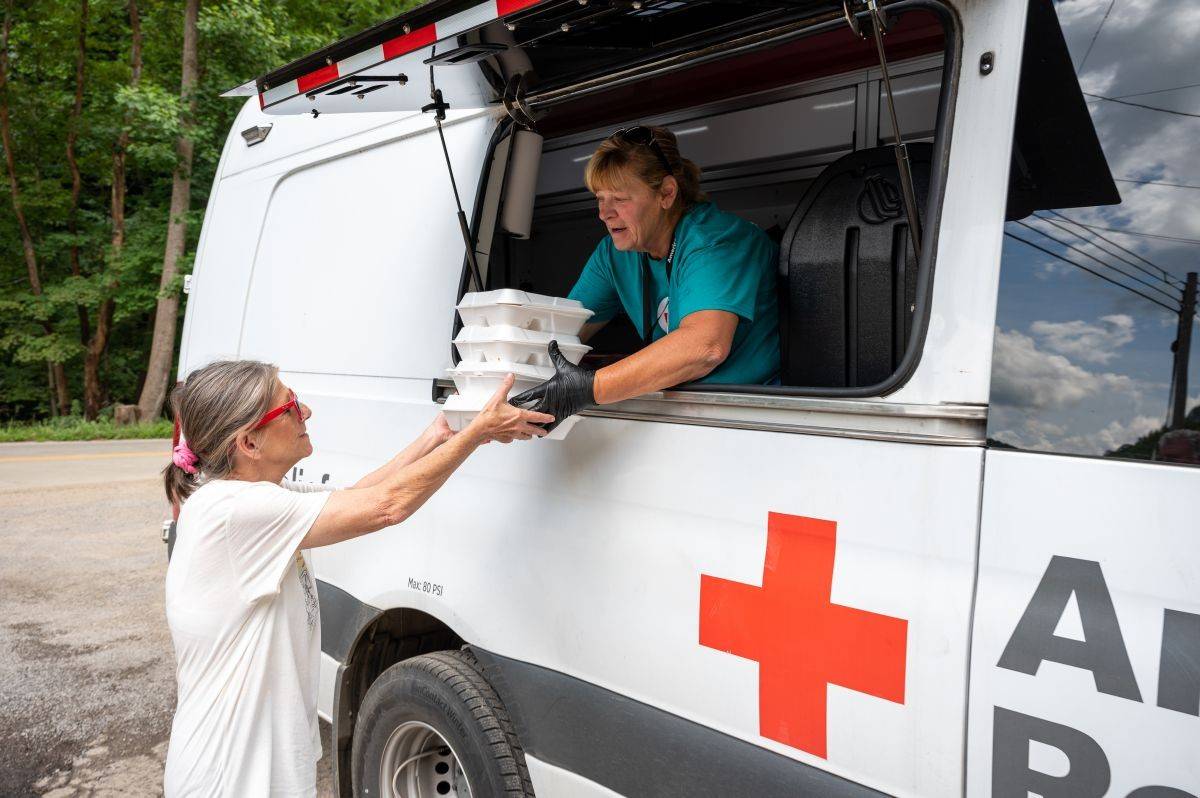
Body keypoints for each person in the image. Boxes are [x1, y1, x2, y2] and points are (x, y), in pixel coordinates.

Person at [161, 359, 551, 797]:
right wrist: (478, 433)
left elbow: (358, 495)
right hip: (229, 780)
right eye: (289, 406)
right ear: (249, 441)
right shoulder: (234, 514)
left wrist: (439, 432)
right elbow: (388, 506)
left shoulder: (256, 498)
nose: (305, 412)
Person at [513, 124, 780, 427]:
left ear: (666, 193)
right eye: (599, 198)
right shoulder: (615, 254)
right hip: (673, 412)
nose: (604, 213)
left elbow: (705, 347)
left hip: (749, 418)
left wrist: (590, 388)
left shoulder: (714, 241)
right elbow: (559, 334)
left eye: (619, 198)